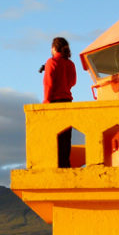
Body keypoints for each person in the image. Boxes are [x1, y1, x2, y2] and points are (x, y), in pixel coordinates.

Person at [43, 36, 77, 167]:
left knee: (54, 135)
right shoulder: (70, 64)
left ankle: (55, 164)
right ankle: (65, 164)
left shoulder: (51, 62)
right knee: (66, 138)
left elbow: (48, 84)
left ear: (53, 48)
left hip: (55, 102)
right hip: (67, 101)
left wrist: (46, 101)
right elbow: (73, 82)